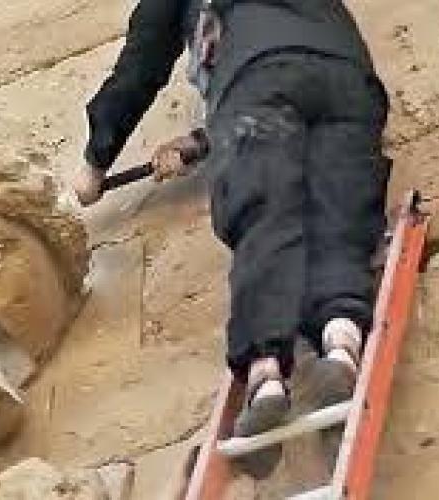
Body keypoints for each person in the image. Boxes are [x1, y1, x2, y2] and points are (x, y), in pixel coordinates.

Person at [73, 0, 390, 436]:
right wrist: (202, 141)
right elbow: (291, 59)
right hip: (347, 78)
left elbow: (142, 64)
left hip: (259, 85)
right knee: (339, 208)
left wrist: (95, 161)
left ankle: (265, 375)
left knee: (263, 211)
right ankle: (341, 343)